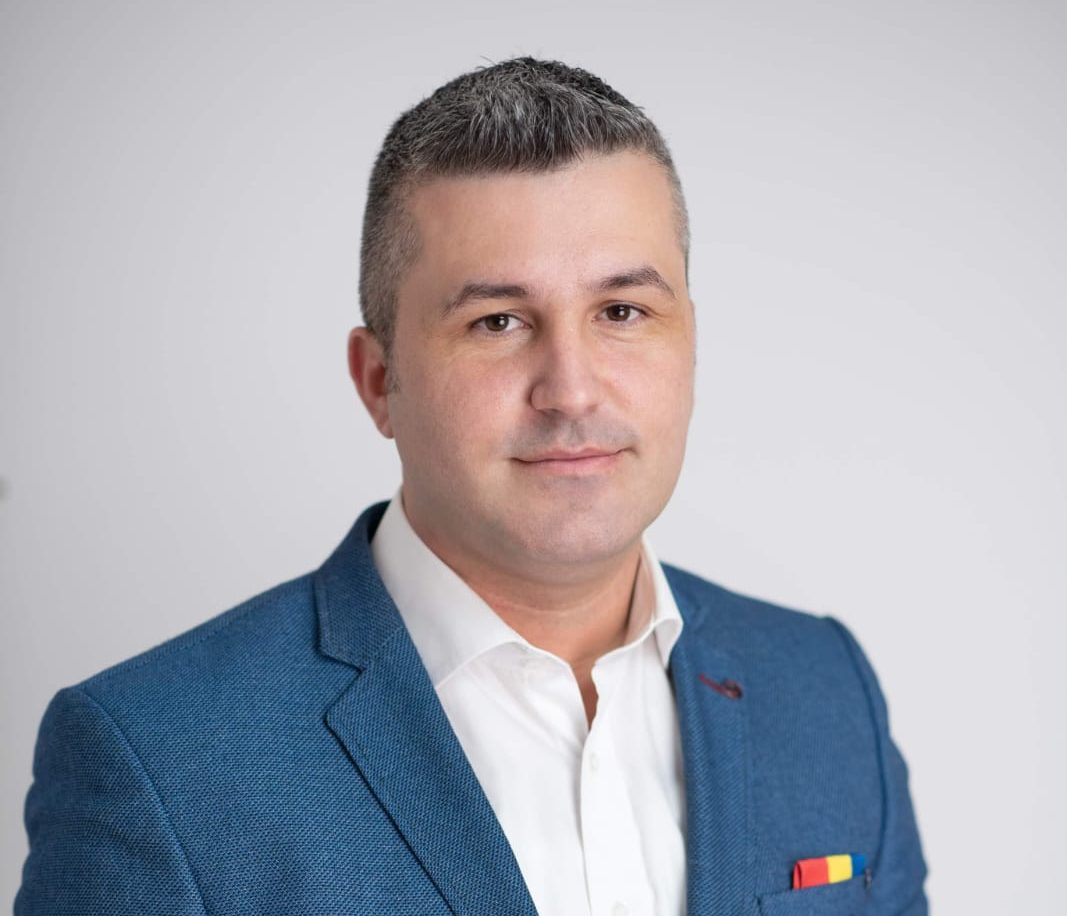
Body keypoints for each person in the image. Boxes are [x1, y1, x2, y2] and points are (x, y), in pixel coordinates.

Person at [16, 58, 927, 915]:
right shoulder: (156, 760)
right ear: (380, 381)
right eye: (497, 322)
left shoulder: (822, 687)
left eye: (621, 311)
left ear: (689, 343)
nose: (571, 390)